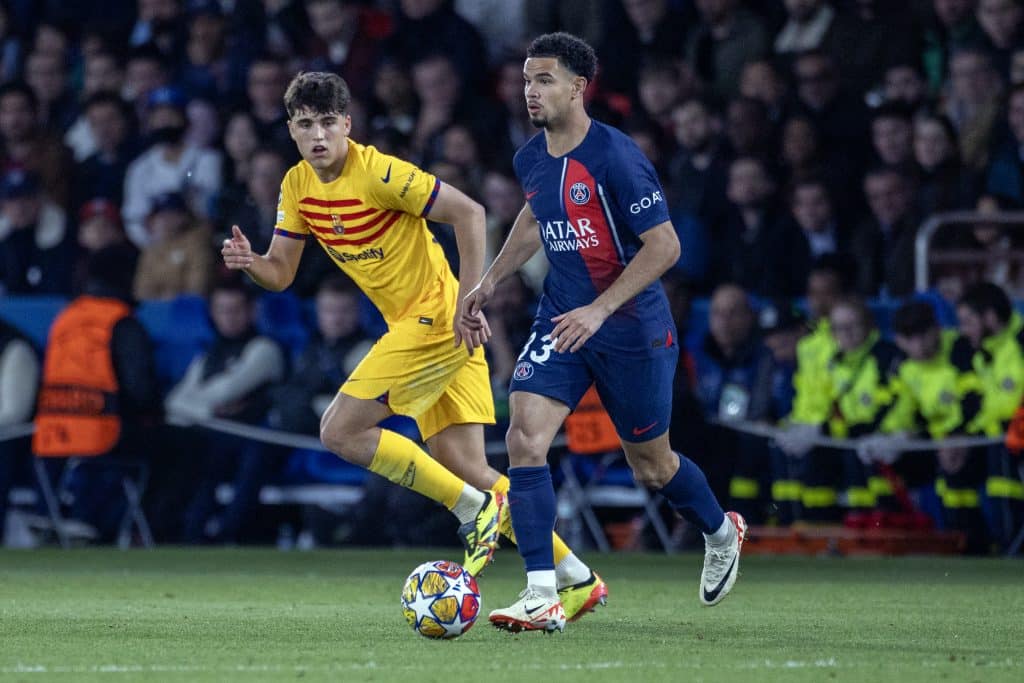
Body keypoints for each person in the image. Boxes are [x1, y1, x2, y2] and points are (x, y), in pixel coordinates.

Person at [220, 71, 602, 617]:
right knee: (465, 464)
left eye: (327, 122)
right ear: (291, 130)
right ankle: (576, 576)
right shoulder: (296, 186)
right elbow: (280, 274)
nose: (318, 135)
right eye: (305, 125)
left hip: (437, 319)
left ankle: (470, 510)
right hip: (423, 324)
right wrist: (252, 263)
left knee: (339, 430)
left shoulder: (379, 173)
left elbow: (470, 212)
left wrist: (470, 301)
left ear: (347, 124)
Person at [463, 33, 746, 634]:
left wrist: (599, 309)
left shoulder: (616, 157)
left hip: (631, 329)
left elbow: (665, 246)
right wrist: (489, 281)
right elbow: (534, 217)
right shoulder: (530, 158)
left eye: (543, 80)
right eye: (526, 80)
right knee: (524, 437)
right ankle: (542, 592)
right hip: (562, 319)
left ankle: (722, 531)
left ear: (577, 88)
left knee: (652, 467)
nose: (530, 91)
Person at [32, 244, 162, 542]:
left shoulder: (65, 318)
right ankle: (153, 531)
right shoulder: (121, 322)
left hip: (51, 438)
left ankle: (51, 513)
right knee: (181, 448)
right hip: (104, 438)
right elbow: (141, 391)